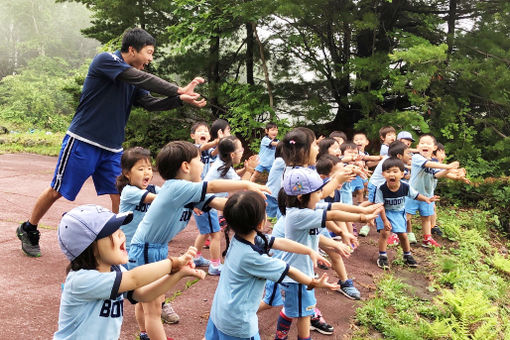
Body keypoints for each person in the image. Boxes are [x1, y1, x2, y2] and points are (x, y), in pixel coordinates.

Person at [16, 27, 207, 257]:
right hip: (83, 141)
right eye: (149, 52)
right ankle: (29, 227)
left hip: (112, 149)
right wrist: (177, 88)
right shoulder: (106, 61)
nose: (150, 59)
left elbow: (149, 103)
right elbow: (138, 77)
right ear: (131, 49)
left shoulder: (135, 76)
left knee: (120, 196)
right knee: (58, 190)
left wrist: (179, 99)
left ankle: (118, 242)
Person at [127, 141, 268, 340]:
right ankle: (149, 335)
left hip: (155, 248)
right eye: (199, 160)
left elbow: (218, 202)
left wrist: (248, 206)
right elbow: (211, 186)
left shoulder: (189, 190)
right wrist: (246, 184)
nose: (203, 165)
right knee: (153, 307)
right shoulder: (176, 187)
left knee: (150, 302)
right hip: (145, 249)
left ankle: (145, 335)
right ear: (185, 166)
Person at [53, 204, 205, 340]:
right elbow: (134, 278)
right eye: (112, 232)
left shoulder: (116, 269)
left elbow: (143, 294)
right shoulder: (81, 280)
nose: (121, 234)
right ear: (90, 248)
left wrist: (178, 274)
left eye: (119, 229)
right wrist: (172, 263)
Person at [205, 190, 339, 340]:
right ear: (261, 223)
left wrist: (309, 251)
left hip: (219, 312)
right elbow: (289, 271)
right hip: (238, 325)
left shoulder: (241, 238)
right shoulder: (252, 257)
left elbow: (278, 241)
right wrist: (313, 282)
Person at [277, 167, 381, 340]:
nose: (321, 196)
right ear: (302, 197)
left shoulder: (306, 205)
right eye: (318, 193)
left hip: (299, 272)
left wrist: (362, 211)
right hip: (297, 276)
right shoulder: (298, 214)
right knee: (304, 314)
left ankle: (279, 337)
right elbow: (332, 214)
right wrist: (363, 218)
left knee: (291, 310)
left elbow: (336, 206)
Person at [116, 147, 164, 338]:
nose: (147, 173)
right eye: (141, 169)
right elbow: (160, 199)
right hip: (131, 250)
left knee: (145, 297)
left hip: (145, 248)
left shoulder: (152, 188)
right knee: (145, 296)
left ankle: (144, 332)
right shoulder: (129, 192)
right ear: (127, 174)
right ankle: (147, 330)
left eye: (149, 168)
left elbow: (166, 193)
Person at [196, 136, 258, 275]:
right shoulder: (223, 166)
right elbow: (241, 187)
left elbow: (232, 177)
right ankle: (215, 265)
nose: (243, 151)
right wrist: (249, 171)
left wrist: (244, 169)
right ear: (232, 154)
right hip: (208, 205)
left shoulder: (221, 163)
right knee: (215, 235)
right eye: (241, 149)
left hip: (202, 203)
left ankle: (196, 257)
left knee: (205, 232)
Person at [372, 158, 439, 270]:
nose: (391, 174)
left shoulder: (405, 186)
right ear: (383, 174)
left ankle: (407, 255)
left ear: (402, 174)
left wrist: (427, 199)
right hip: (385, 212)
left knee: (403, 235)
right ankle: (382, 256)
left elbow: (415, 195)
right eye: (388, 172)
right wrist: (385, 221)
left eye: (395, 171)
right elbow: (380, 206)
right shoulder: (381, 188)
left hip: (398, 212)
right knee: (385, 233)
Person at [405, 134, 460, 248]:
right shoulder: (417, 157)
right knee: (406, 216)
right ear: (418, 146)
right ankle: (396, 235)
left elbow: (437, 175)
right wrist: (448, 166)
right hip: (413, 194)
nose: (425, 145)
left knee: (426, 218)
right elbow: (427, 164)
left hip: (428, 196)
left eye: (428, 143)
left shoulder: (435, 162)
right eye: (422, 143)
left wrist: (448, 169)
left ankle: (427, 239)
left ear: (434, 147)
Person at [359, 141, 412, 239]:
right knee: (375, 204)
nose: (410, 155)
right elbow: (403, 174)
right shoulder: (392, 164)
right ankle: (361, 216)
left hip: (377, 184)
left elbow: (405, 167)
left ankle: (361, 215)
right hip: (376, 185)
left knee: (374, 203)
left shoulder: (391, 160)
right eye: (408, 153)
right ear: (399, 156)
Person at [265, 142, 285, 219]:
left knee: (276, 216)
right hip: (271, 195)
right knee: (268, 217)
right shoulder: (279, 161)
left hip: (276, 195)